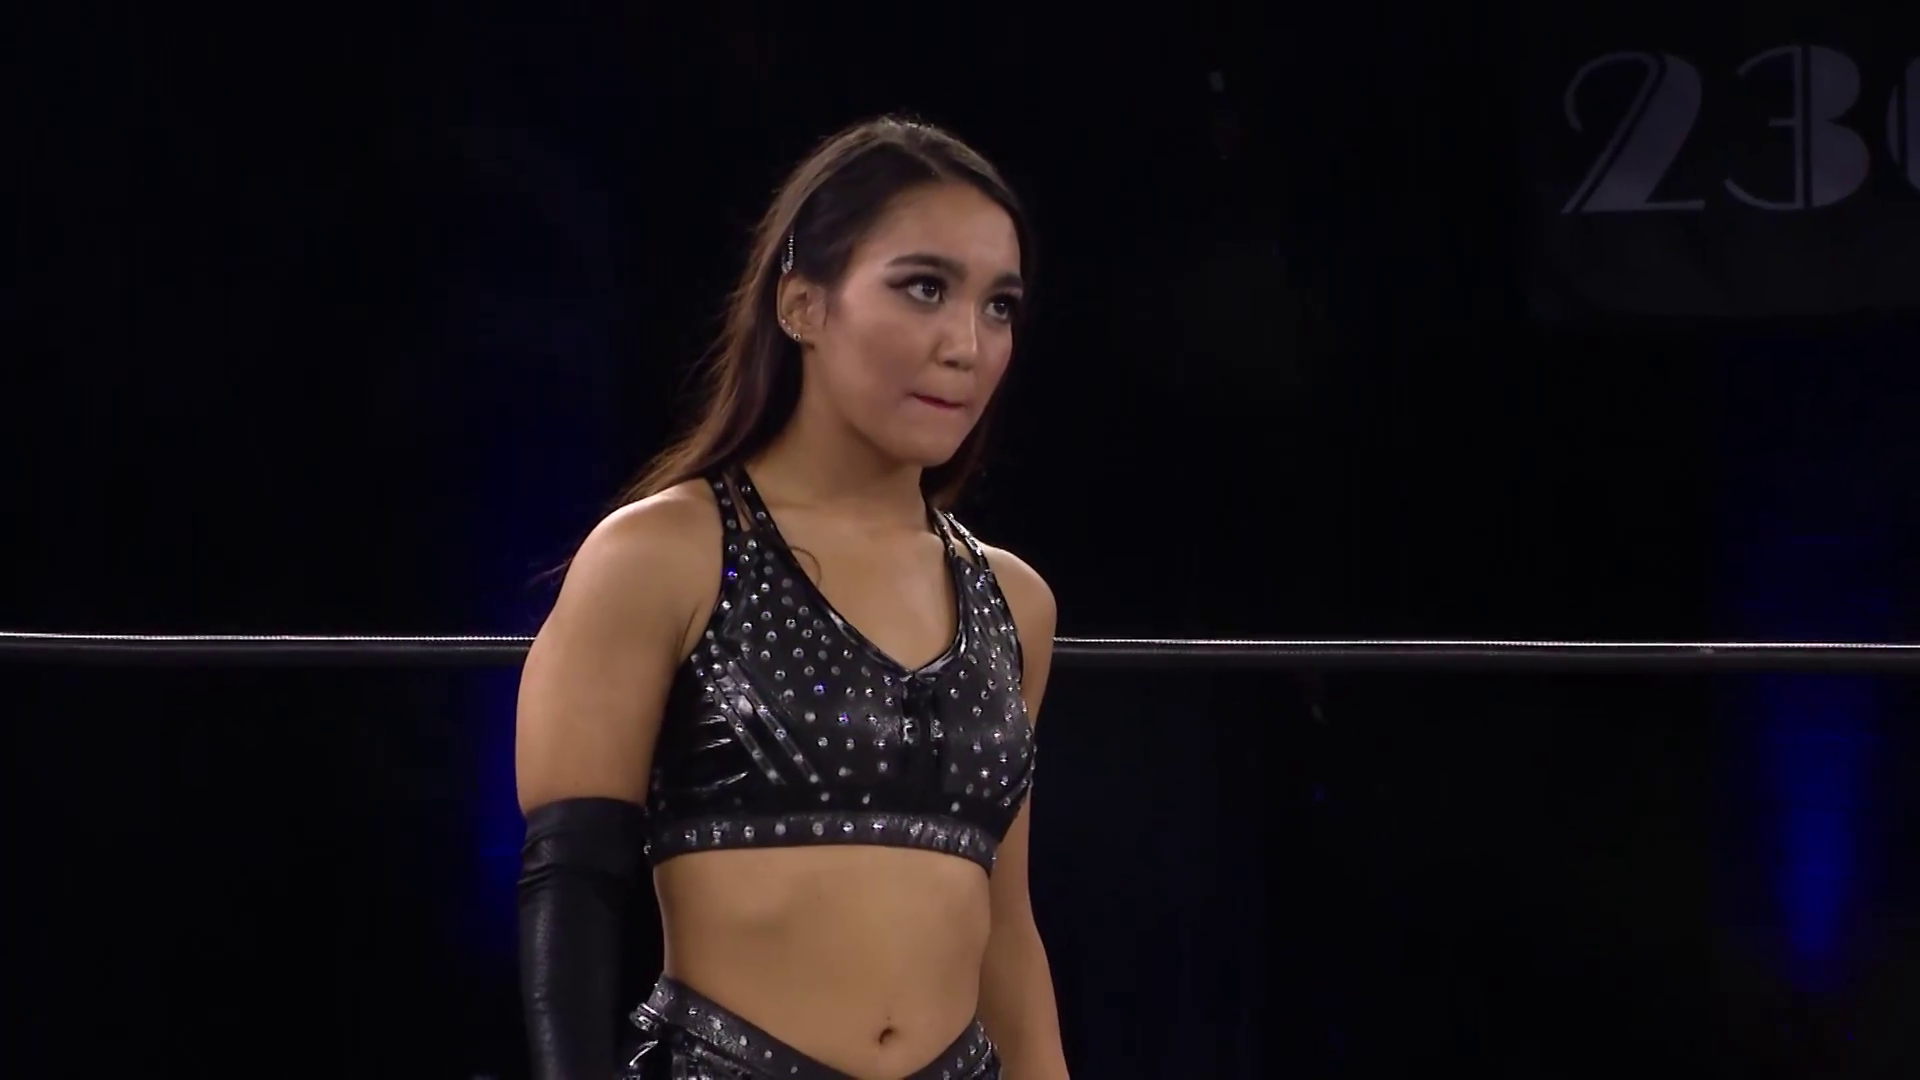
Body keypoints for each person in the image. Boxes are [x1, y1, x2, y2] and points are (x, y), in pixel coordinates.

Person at [514, 117, 1070, 1080]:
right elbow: (572, 892)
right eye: (925, 288)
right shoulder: (663, 553)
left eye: (999, 306)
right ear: (803, 303)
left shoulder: (1014, 601)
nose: (967, 344)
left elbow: (1007, 934)